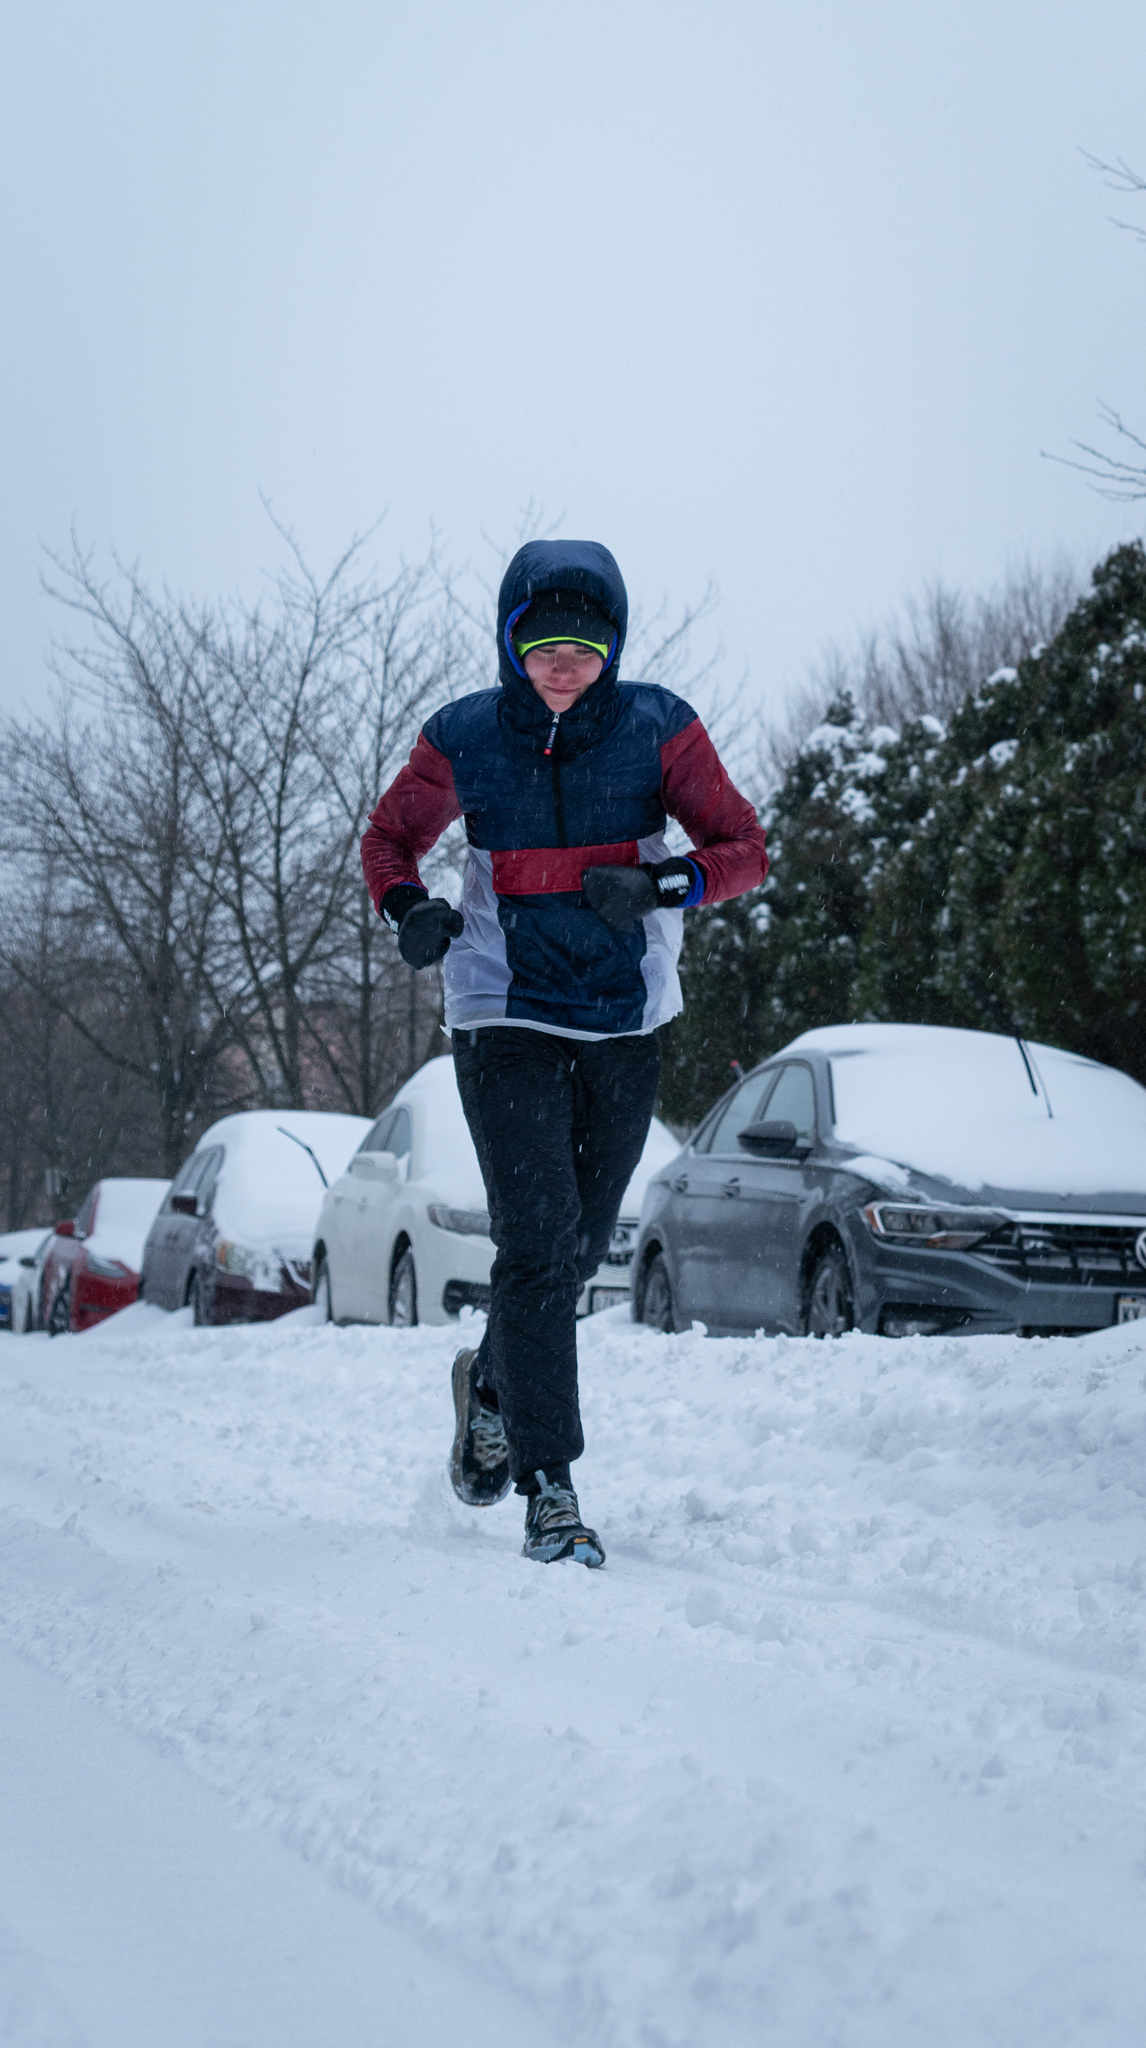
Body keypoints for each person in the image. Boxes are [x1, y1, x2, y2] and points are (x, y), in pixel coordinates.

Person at [361, 539, 767, 1566]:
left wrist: (663, 884)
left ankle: (495, 1388)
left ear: (612, 650)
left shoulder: (657, 727)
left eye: (583, 650)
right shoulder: (464, 735)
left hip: (625, 1015)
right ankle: (551, 1488)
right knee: (537, 1241)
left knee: (578, 1249)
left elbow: (744, 848)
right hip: (502, 1010)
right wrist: (409, 908)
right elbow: (388, 841)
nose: (562, 666)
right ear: (511, 645)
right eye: (542, 647)